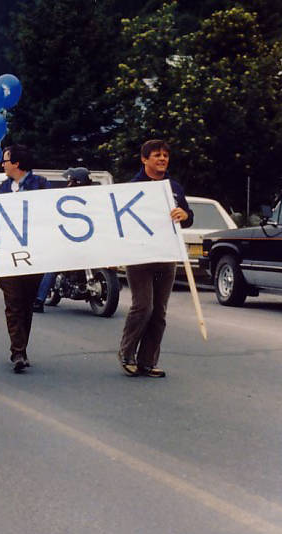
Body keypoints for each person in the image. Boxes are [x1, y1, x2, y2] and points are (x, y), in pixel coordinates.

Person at [117, 140, 193, 378]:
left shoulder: (174, 188)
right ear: (144, 159)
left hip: (166, 254)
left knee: (159, 311)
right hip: (139, 255)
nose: (162, 159)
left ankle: (147, 361)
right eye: (157, 155)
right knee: (143, 306)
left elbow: (188, 217)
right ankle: (126, 353)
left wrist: (185, 214)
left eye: (166, 156)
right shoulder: (132, 187)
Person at [0, 145, 49, 373]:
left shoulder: (40, 184)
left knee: (26, 303)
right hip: (6, 255)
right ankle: (17, 351)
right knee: (13, 302)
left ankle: (22, 347)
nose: (3, 164)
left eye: (6, 160)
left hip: (32, 254)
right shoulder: (3, 186)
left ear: (17, 163)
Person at [33, 167, 92, 313]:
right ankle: (39, 300)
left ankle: (38, 301)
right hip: (68, 239)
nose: (68, 184)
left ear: (75, 182)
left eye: (70, 181)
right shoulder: (75, 197)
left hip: (86, 239)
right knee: (53, 266)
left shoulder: (85, 197)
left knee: (52, 266)